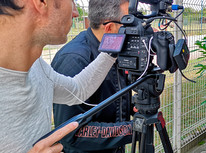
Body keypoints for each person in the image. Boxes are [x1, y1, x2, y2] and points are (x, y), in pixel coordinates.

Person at [0, 0, 118, 152]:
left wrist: (115, 45)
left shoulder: (37, 67)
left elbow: (77, 90)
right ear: (41, 2)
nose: (75, 13)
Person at [50, 0, 133, 152]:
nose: (136, 27)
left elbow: (108, 98)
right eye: (129, 22)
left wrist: (134, 106)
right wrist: (131, 130)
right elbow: (72, 133)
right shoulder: (74, 59)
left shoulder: (112, 49)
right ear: (109, 28)